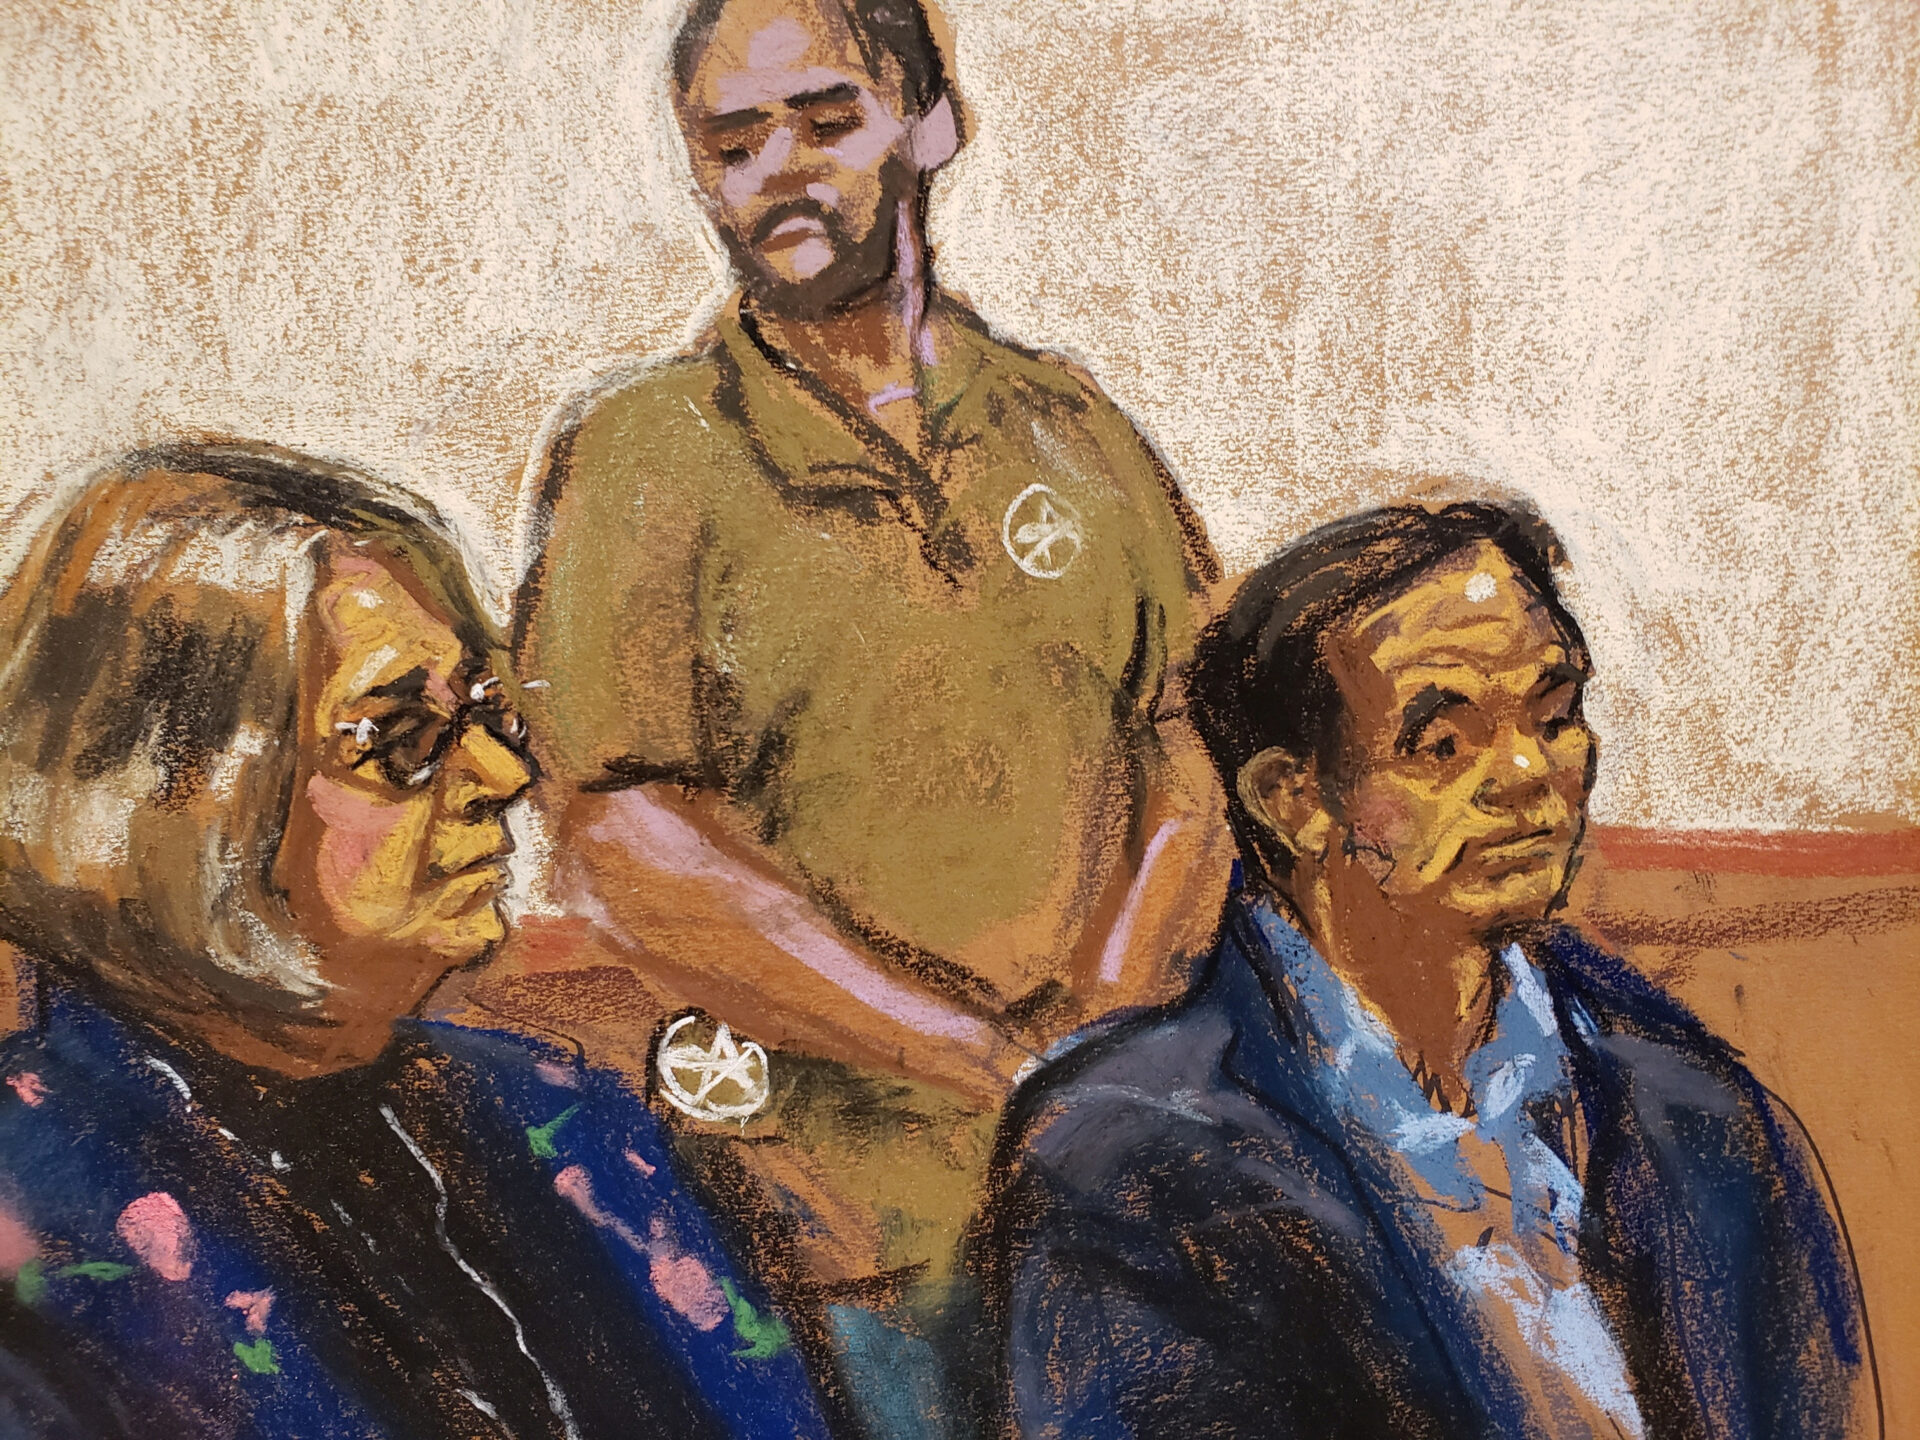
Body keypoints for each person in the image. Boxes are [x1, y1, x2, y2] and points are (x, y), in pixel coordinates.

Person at [509, 0, 1227, 1429]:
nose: (779, 168)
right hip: (825, 1227)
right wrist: (980, 1063)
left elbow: (1191, 748)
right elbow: (622, 834)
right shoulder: (645, 450)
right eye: (733, 141)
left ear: (932, 122)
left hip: (1117, 1198)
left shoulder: (1069, 426)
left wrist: (1093, 1069)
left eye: (826, 120)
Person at [981, 501, 1878, 1438]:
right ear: (1292, 799)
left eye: (1556, 715)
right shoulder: (1129, 1156)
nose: (1529, 771)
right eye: (1443, 745)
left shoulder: (1698, 1115)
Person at [0, 444, 830, 1439]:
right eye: (401, 738)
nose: (503, 774)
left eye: (488, 715)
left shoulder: (566, 1115)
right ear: (174, 794)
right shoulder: (35, 1215)